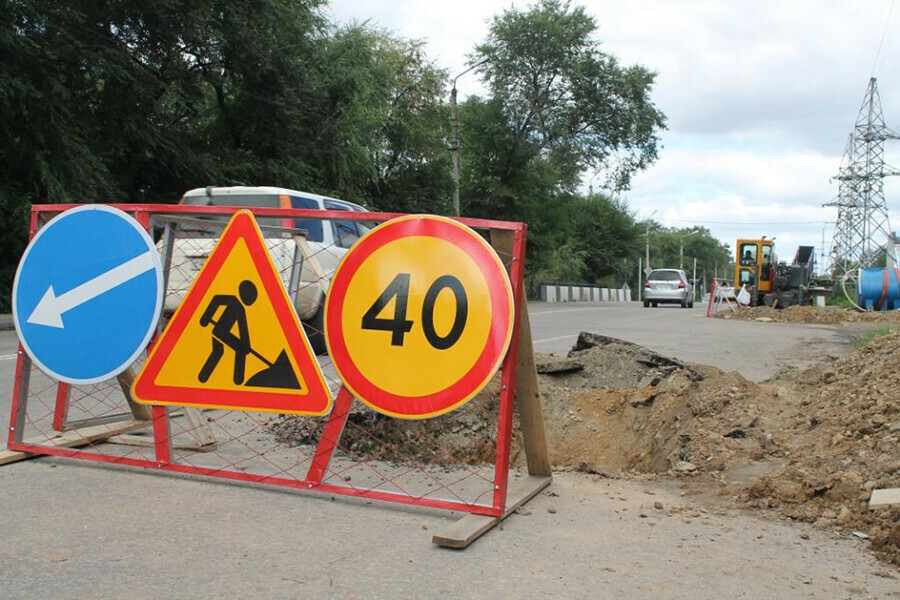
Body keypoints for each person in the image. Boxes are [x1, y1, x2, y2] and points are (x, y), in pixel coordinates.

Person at [197, 280, 258, 385]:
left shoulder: (240, 308)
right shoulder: (233, 301)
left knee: (219, 352)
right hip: (220, 331)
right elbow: (216, 300)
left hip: (221, 332)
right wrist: (205, 318)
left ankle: (203, 378)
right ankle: (238, 380)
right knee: (234, 350)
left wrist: (247, 345)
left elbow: (243, 329)